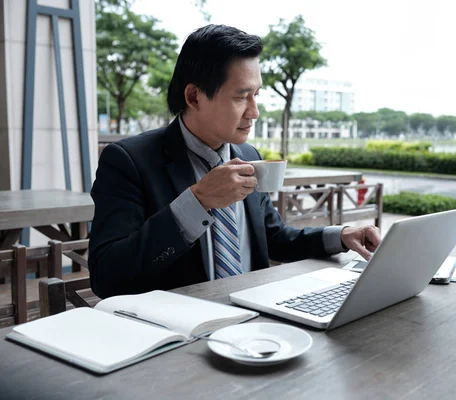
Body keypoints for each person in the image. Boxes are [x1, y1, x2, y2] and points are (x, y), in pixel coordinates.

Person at [88, 24, 381, 299]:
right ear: (194, 96)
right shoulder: (129, 160)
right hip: (180, 331)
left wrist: (340, 236)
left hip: (257, 316)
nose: (254, 112)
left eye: (256, 95)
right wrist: (197, 202)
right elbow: (107, 277)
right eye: (242, 97)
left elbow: (273, 237)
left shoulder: (249, 156)